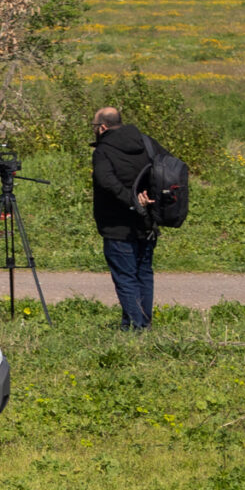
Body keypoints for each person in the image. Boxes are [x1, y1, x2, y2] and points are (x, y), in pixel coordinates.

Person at [91, 105, 159, 331]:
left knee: (126, 277)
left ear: (102, 127)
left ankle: (138, 327)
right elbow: (166, 170)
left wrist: (131, 200)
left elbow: (106, 181)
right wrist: (150, 198)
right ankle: (135, 323)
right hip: (147, 221)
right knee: (143, 274)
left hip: (116, 224)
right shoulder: (145, 143)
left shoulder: (103, 151)